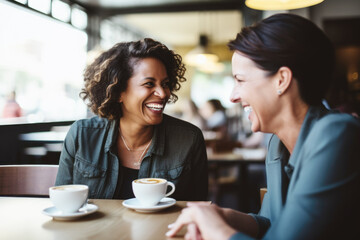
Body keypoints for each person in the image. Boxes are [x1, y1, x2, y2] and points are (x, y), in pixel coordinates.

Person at [166, 13, 360, 239]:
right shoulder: (278, 144)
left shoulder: (337, 135)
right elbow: (274, 224)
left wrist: (216, 229)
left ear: (281, 80)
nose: (232, 96)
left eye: (240, 80)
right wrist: (225, 216)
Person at [55, 38, 208, 201]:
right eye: (149, 84)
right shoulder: (81, 135)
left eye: (165, 84)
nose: (163, 93)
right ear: (118, 91)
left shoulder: (189, 139)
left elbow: (198, 208)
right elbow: (62, 202)